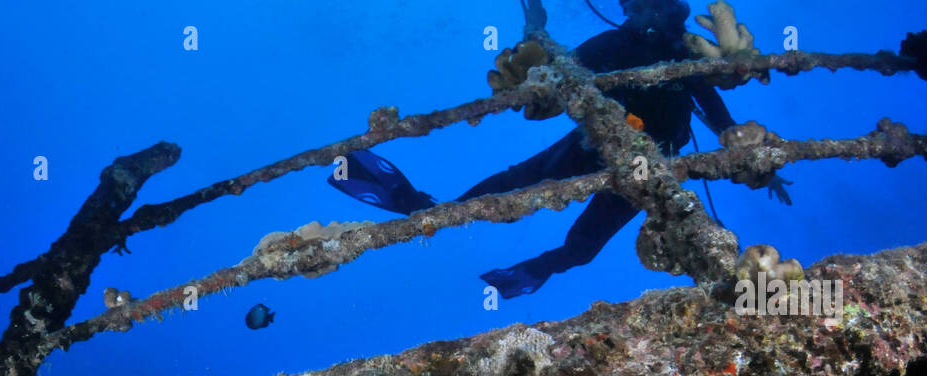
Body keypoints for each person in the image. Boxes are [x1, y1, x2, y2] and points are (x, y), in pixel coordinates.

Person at [328, 0, 790, 298]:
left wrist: (749, 156)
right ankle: (412, 202)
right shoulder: (611, 43)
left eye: (670, 8)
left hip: (653, 161)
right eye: (653, 8)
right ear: (632, 11)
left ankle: (537, 270)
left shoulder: (686, 55)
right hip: (594, 145)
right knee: (515, 182)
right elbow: (557, 74)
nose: (667, 17)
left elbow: (712, 104)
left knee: (584, 245)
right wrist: (535, 46)